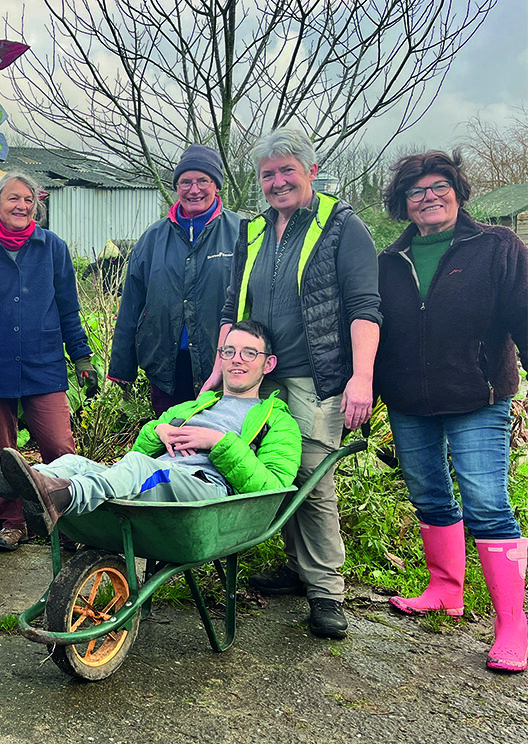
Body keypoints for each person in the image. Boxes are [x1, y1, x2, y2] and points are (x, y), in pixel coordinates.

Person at [204, 127, 381, 640]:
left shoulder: (343, 228)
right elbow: (231, 307)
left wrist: (361, 377)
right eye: (268, 175)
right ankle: (296, 568)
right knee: (270, 468)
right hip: (259, 373)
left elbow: (364, 308)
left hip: (314, 377)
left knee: (310, 477)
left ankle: (326, 591)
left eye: (287, 171)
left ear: (311, 172)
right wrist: (219, 371)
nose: (277, 182)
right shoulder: (253, 230)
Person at [375, 151, 528, 673]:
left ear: (458, 191)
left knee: (487, 501)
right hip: (410, 401)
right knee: (428, 494)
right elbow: (378, 334)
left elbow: (523, 315)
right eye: (416, 191)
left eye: (439, 186)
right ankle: (445, 591)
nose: (429, 197)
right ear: (403, 203)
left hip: (477, 395)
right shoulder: (388, 261)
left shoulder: (497, 246)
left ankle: (512, 624)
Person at [0, 321, 299, 529]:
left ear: (267, 364)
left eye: (248, 353)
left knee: (136, 467)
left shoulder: (277, 420)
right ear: (220, 358)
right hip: (161, 476)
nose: (237, 360)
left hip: (206, 494)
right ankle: (17, 478)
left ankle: (58, 495)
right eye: (229, 352)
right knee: (71, 463)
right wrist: (156, 431)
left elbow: (274, 488)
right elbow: (141, 449)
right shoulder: (196, 405)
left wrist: (218, 442)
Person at [0, 172, 96, 551]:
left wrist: (82, 357)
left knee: (59, 447)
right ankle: (13, 523)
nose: (21, 206)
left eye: (28, 200)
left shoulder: (52, 248)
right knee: (1, 453)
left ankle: (71, 523)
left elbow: (68, 309)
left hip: (43, 364)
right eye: (13, 199)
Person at [109, 144, 240, 413]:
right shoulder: (153, 238)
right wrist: (122, 367)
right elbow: (131, 304)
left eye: (203, 180)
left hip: (225, 364)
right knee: (170, 440)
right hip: (166, 364)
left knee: (217, 443)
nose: (194, 190)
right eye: (185, 182)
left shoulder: (241, 233)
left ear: (216, 185)